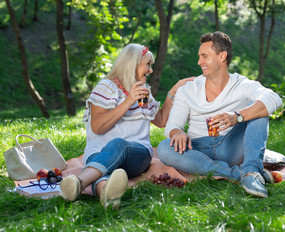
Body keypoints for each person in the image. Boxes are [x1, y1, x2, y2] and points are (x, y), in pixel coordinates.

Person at [60, 44, 194, 209]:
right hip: (99, 154)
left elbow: (160, 120)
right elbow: (97, 127)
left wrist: (173, 92)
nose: (150, 70)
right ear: (133, 64)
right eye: (148, 64)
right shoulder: (106, 87)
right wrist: (128, 101)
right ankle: (107, 196)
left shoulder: (143, 91)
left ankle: (79, 183)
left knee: (118, 144)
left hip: (137, 156)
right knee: (103, 172)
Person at [157, 31, 282, 198]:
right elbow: (172, 126)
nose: (199, 61)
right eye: (199, 56)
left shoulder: (241, 84)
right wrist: (177, 133)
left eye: (204, 56)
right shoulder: (188, 89)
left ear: (222, 56)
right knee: (164, 148)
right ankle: (240, 175)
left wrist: (237, 116)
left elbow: (274, 99)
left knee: (260, 110)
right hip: (198, 149)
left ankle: (251, 171)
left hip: (231, 146)